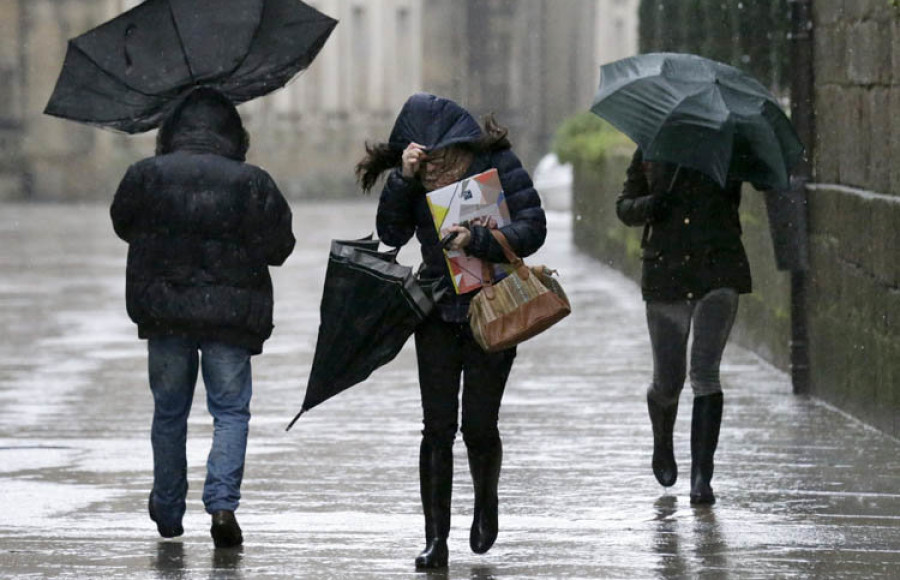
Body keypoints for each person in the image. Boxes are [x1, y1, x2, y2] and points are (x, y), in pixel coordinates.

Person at [356, 93, 546, 569]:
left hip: (493, 307)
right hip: (438, 310)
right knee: (436, 428)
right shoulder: (413, 179)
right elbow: (392, 234)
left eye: (441, 154)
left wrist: (478, 239)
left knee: (479, 425)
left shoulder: (495, 162)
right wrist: (402, 180)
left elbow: (534, 226)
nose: (435, 163)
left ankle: (485, 507)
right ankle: (435, 538)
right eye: (424, 155)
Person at [110, 87, 295, 547]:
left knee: (169, 412)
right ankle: (222, 506)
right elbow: (280, 248)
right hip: (230, 317)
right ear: (233, 133)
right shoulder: (252, 181)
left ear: (171, 130)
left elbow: (122, 224)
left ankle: (169, 509)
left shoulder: (145, 175)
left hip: (165, 311)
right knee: (230, 411)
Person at [616, 148, 751, 505]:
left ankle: (702, 476)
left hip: (718, 269)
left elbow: (761, 181)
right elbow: (624, 206)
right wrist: (651, 205)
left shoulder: (729, 146)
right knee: (668, 380)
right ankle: (663, 442)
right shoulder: (653, 146)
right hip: (667, 274)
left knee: (705, 373)